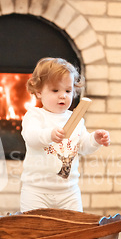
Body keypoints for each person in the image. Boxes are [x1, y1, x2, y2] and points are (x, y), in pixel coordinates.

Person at [20, 57, 110, 212]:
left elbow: (83, 146)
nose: (63, 95)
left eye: (68, 91)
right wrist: (49, 135)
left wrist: (94, 139)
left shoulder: (75, 118)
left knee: (74, 229)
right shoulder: (35, 115)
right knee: (34, 229)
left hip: (69, 191)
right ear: (39, 92)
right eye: (55, 90)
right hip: (36, 190)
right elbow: (31, 137)